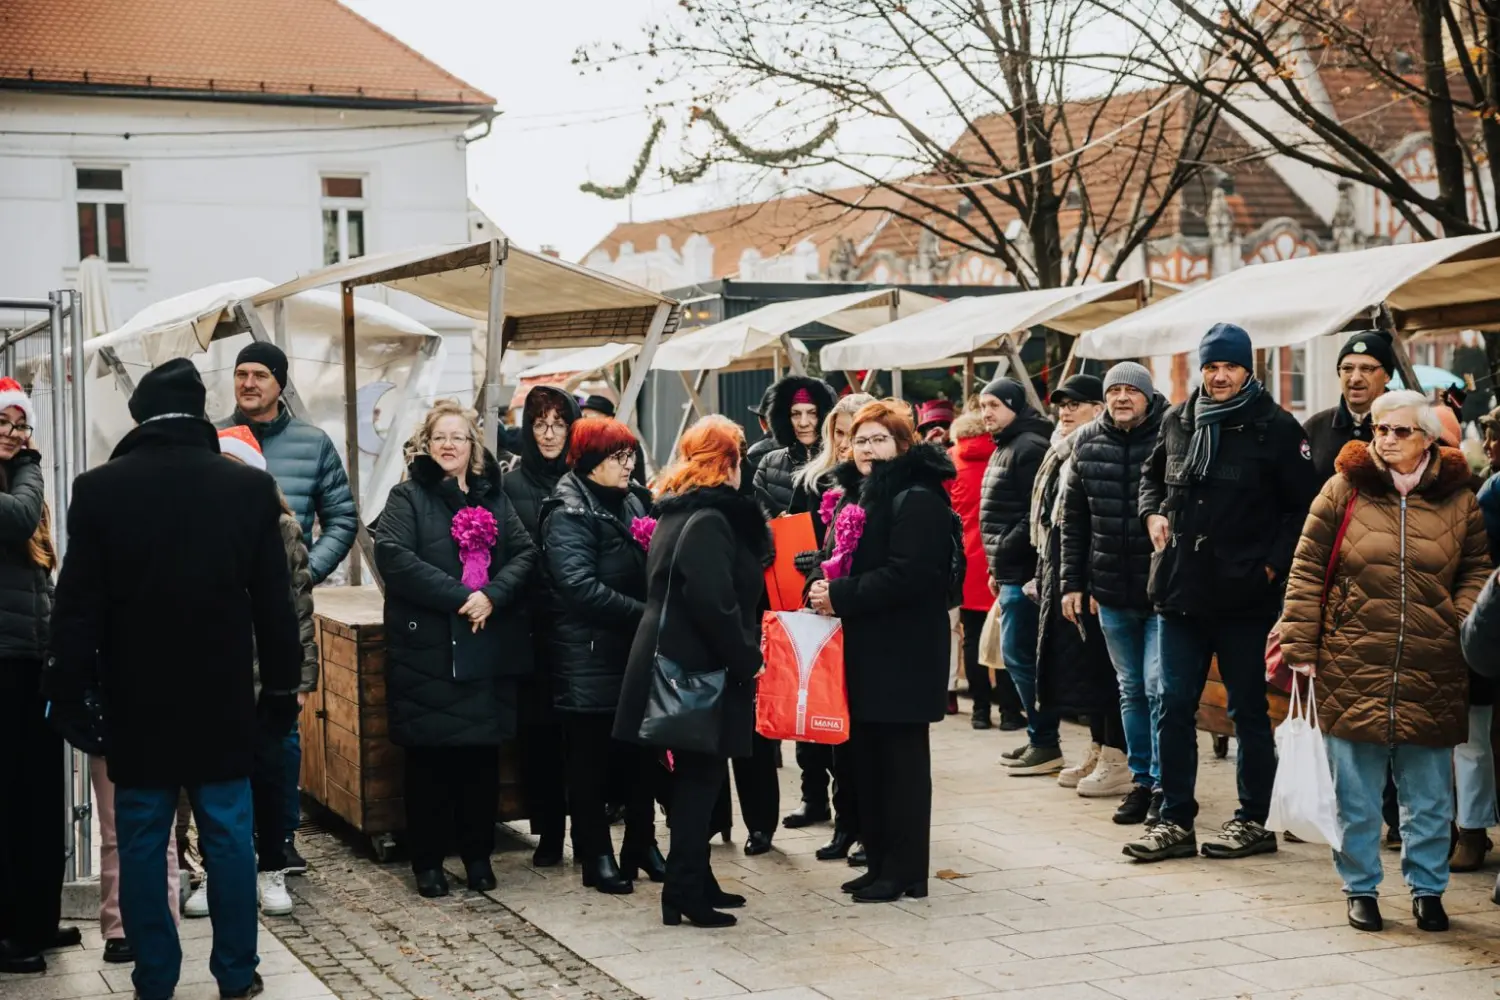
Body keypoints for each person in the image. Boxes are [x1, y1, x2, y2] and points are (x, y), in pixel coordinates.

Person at [46, 358, 302, 1000]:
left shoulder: (100, 489)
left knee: (141, 839)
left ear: (141, 417)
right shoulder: (246, 489)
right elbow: (275, 608)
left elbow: (77, 606)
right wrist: (280, 691)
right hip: (222, 696)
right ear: (199, 413)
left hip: (136, 696)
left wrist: (69, 693)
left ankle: (154, 977)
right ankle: (236, 975)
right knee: (229, 836)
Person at [1279, 391, 1490, 932]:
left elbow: (1476, 569)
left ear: (1428, 439)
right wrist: (1301, 646)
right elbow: (1306, 569)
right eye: (1380, 429)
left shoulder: (1459, 497)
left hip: (1433, 662)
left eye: (1400, 431)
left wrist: (1456, 620)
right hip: (1352, 659)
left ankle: (1428, 890)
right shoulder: (1344, 487)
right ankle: (1360, 888)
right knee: (1355, 794)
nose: (1388, 439)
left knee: (1429, 796)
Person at [1127, 323, 1322, 863]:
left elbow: (1302, 509)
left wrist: (1270, 568)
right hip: (1180, 589)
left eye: (1229, 367)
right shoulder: (1178, 420)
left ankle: (1253, 820)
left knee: (1247, 711)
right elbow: (1151, 478)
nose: (1218, 377)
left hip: (1243, 597)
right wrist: (1152, 513)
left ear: (1246, 369)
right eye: (1211, 366)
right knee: (1172, 705)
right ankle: (1174, 819)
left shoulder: (1276, 427)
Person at [375, 401, 536, 898]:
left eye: (458, 437)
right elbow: (394, 557)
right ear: (427, 444)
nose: (449, 445)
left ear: (473, 446)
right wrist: (463, 597)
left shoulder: (494, 498)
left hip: (483, 650)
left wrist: (493, 595)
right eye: (440, 437)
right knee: (429, 764)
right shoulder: (407, 497)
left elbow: (525, 553)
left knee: (479, 763)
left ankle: (477, 856)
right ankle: (427, 862)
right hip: (427, 653)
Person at [614, 416, 770, 928]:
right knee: (699, 782)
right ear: (728, 464)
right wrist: (747, 658)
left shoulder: (679, 511)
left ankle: (695, 880)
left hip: (679, 661)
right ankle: (683, 892)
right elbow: (713, 603)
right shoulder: (709, 519)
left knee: (697, 780)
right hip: (695, 668)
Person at [807, 400, 956, 903]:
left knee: (901, 767)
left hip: (905, 653)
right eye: (860, 441)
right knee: (867, 763)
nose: (867, 449)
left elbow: (911, 575)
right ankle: (879, 863)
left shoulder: (918, 497)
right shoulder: (859, 496)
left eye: (879, 440)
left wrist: (841, 595)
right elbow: (837, 558)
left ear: (902, 445)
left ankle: (906, 871)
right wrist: (821, 584)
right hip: (866, 649)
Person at [221, 340, 357, 875]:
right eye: (241, 374)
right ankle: (233, 835)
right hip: (226, 611)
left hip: (282, 609)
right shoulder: (214, 438)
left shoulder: (312, 442)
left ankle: (281, 834)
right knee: (229, 724)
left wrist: (304, 572)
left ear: (280, 382)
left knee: (284, 726)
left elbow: (342, 517)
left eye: (260, 374)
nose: (248, 383)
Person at [180, 428, 319, 920]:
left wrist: (301, 679)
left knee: (272, 776)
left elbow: (300, 607)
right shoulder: (196, 527)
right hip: (215, 677)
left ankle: (272, 865)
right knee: (214, 782)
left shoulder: (281, 528)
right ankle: (216, 871)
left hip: (270, 677)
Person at [541, 417, 663, 894]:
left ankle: (642, 845)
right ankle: (596, 855)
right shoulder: (568, 510)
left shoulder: (632, 499)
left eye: (630, 455)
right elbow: (578, 586)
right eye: (618, 457)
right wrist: (645, 614)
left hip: (632, 651)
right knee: (589, 764)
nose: (628, 465)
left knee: (641, 756)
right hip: (587, 656)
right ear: (590, 460)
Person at [1062, 362, 1169, 825]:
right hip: (1110, 589)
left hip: (1162, 588)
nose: (1122, 398)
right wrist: (1072, 583)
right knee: (1130, 689)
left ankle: (1165, 783)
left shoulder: (1171, 433)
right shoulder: (1087, 441)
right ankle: (1141, 780)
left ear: (1148, 395)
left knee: (1158, 687)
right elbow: (1074, 520)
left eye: (1131, 390)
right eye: (1114, 390)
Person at [0, 378, 78, 975]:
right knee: (10, 801)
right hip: (2, 662)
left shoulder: (17, 481)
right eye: (2, 422)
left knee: (39, 799)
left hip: (29, 660)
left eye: (21, 423)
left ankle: (35, 918)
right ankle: (7, 932)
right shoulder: (23, 486)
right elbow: (19, 517)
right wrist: (31, 466)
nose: (13, 432)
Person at [748, 374, 836, 853]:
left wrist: (820, 557)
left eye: (812, 413)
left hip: (827, 591)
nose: (804, 422)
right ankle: (812, 796)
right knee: (797, 693)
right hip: (781, 593)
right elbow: (755, 518)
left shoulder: (838, 460)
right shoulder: (769, 462)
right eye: (796, 414)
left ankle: (841, 801)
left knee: (828, 695)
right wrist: (768, 543)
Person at [783, 391, 872, 858]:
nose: (846, 443)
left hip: (861, 614)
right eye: (839, 433)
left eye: (854, 434)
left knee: (859, 732)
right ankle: (837, 816)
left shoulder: (880, 487)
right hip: (819, 606)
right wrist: (809, 562)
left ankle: (860, 824)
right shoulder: (818, 479)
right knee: (821, 718)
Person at [1032, 376, 1130, 798]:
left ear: (1098, 409)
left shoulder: (1095, 448)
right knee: (1087, 668)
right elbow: (1053, 522)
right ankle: (1098, 746)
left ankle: (1117, 755)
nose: (1066, 411)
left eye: (1076, 403)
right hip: (1066, 572)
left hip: (1099, 576)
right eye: (1062, 404)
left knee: (1106, 670)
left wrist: (1084, 578)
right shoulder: (1060, 450)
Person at [503, 385, 582, 868]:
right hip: (530, 628)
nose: (550, 434)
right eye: (540, 424)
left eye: (558, 424)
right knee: (539, 738)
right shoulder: (510, 485)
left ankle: (588, 831)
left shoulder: (583, 478)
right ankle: (549, 831)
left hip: (579, 626)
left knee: (582, 737)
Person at [978, 377, 1058, 774]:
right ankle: (1039, 737)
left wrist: (1005, 553)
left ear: (1014, 405)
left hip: (1024, 574)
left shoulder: (1027, 446)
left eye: (994, 405)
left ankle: (1045, 741)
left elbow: (1036, 514)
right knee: (1016, 659)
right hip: (1008, 570)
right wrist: (996, 565)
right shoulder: (1008, 444)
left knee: (1021, 658)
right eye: (982, 406)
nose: (986, 413)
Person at [946, 410, 1025, 732]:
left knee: (973, 637)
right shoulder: (1004, 454)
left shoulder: (951, 460)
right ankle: (1009, 711)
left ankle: (980, 711)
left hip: (966, 560)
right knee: (1005, 636)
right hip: (1001, 557)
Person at [1303, 331, 1395, 482]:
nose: (1355, 378)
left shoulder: (1406, 428)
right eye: (1347, 368)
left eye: (1367, 369)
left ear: (1387, 376)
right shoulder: (1315, 427)